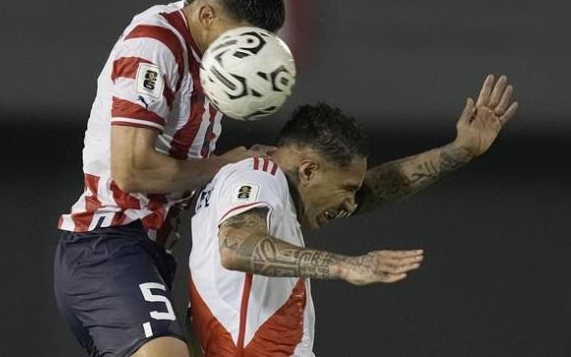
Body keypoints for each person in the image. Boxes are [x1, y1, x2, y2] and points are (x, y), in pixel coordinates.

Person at [188, 75, 517, 356]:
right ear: (308, 170)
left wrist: (458, 152)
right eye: (345, 189)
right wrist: (344, 265)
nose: (350, 204)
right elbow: (236, 246)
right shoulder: (256, 176)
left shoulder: (271, 190)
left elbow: (373, 190)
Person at [53, 0, 285, 357]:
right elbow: (132, 170)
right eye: (237, 43)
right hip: (105, 246)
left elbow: (185, 172)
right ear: (206, 14)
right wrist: (225, 165)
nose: (242, 60)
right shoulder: (156, 43)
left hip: (148, 254)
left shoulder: (212, 66)